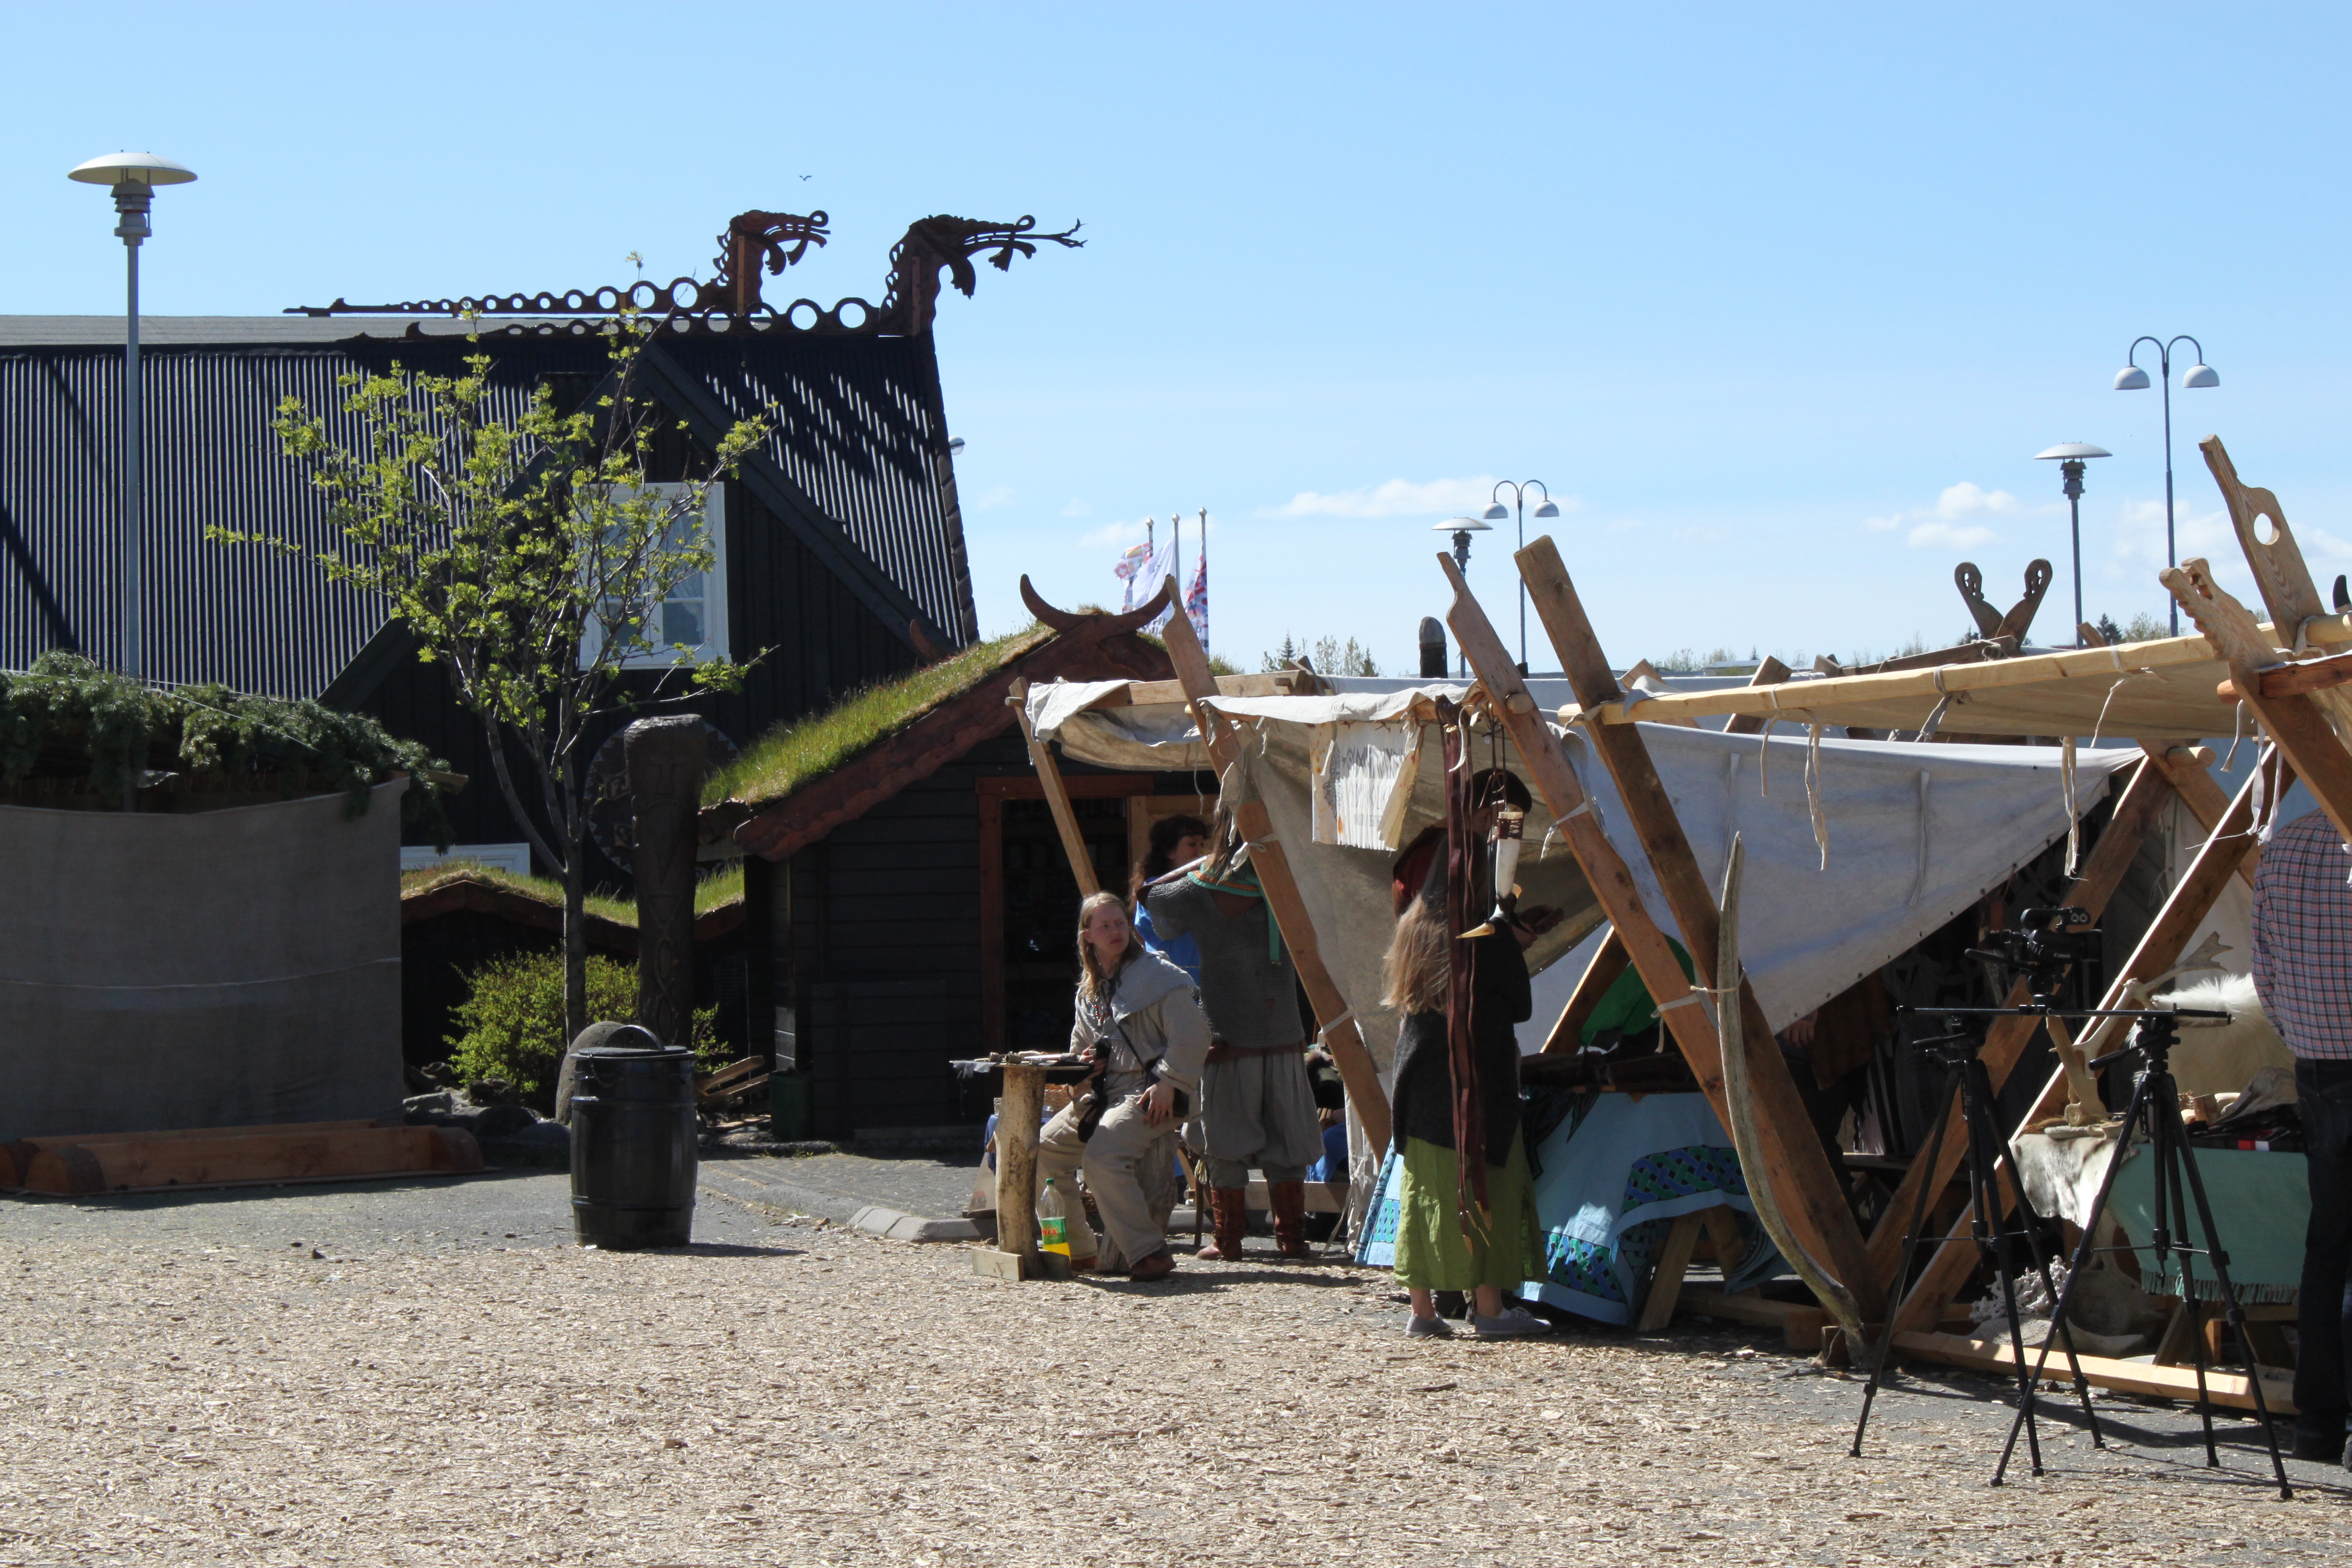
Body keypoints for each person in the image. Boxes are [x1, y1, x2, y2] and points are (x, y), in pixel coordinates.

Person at [1383, 769, 1554, 1340]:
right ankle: (1488, 1309)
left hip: (1420, 1079)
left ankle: (1423, 1312)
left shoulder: (1417, 922)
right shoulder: (1483, 920)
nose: (1512, 835)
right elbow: (1516, 1004)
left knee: (1427, 1194)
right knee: (1483, 1188)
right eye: (1509, 824)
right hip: (1470, 1081)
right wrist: (1514, 940)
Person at [1145, 829, 1326, 1261]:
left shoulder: (1201, 887)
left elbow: (1150, 897)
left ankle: (1232, 1241)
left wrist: (1201, 867)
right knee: (1277, 1140)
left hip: (1238, 1036)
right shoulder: (1287, 884)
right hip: (1272, 1034)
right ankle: (1288, 1240)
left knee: (1225, 1141)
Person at [1034, 890, 1211, 1281]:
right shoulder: (1090, 993)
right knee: (1045, 1149)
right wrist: (1086, 1067)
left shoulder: (1159, 977)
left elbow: (1194, 1035)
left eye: (1120, 924)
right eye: (1105, 926)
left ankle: (1148, 1252)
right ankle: (1080, 1250)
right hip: (1104, 1096)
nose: (1115, 932)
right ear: (1088, 936)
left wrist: (1170, 1081)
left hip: (1149, 1094)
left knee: (1101, 1157)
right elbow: (1079, 1051)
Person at [2250, 806, 2352, 1468]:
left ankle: (2317, 1426)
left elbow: (2266, 975)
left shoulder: (2286, 844)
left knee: (2330, 1245)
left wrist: (2307, 1045)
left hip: (2321, 1069)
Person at [1130, 814, 1209, 984]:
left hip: (1206, 984)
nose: (1200, 850)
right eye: (1192, 844)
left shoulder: (1205, 886)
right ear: (1170, 851)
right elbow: (1174, 924)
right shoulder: (1154, 890)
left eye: (1202, 844)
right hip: (1170, 983)